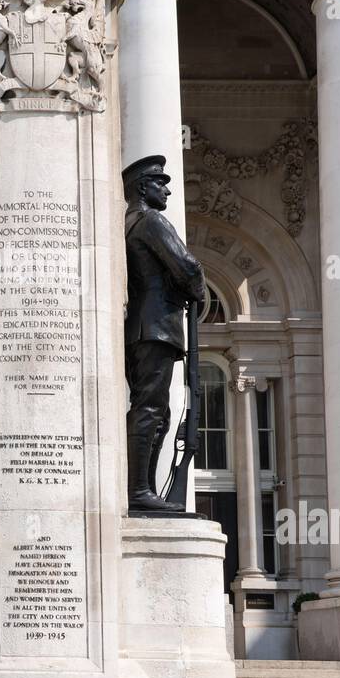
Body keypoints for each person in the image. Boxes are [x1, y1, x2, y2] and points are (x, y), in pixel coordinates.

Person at [124, 155, 206, 515]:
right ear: (144, 187)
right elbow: (186, 265)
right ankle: (140, 490)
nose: (168, 189)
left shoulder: (129, 222)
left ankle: (145, 490)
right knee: (151, 409)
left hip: (143, 328)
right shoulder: (152, 221)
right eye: (161, 183)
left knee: (157, 411)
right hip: (156, 327)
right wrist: (198, 287)